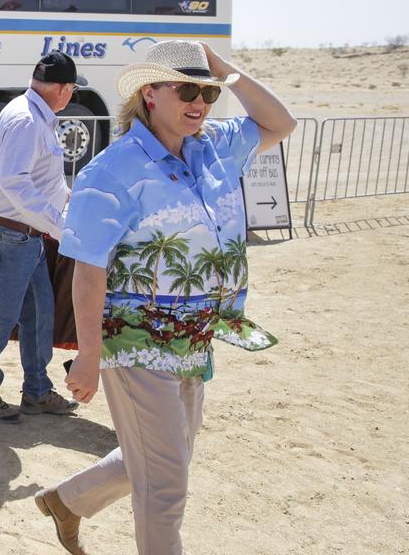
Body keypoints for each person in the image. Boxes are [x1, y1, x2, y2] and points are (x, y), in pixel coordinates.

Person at [35, 41, 295, 555]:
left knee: (164, 456)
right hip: (134, 345)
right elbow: (88, 270)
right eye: (186, 90)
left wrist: (226, 73)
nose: (199, 102)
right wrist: (87, 357)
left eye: (206, 93)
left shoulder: (214, 146)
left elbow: (280, 123)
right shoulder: (112, 170)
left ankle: (69, 501)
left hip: (193, 342)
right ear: (149, 93)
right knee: (167, 481)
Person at [0, 51, 85, 423]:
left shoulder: (33, 115)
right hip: (10, 232)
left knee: (38, 315)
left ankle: (36, 389)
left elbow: (42, 180)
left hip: (24, 233)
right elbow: (15, 182)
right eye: (72, 90)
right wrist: (58, 225)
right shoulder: (27, 120)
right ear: (63, 90)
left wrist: (64, 210)